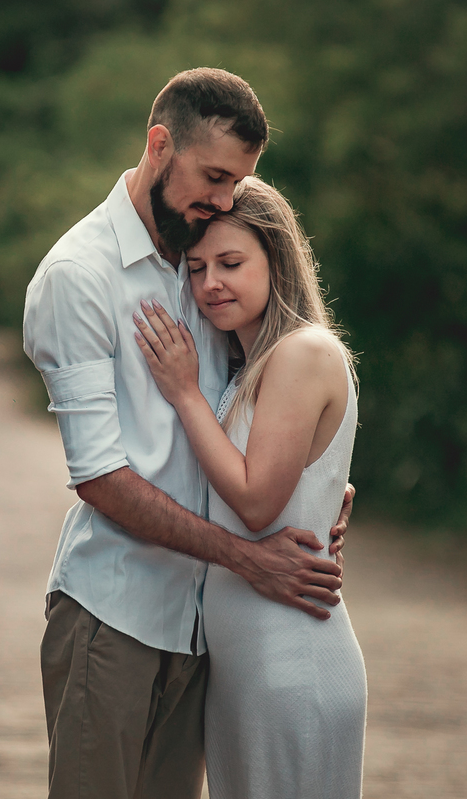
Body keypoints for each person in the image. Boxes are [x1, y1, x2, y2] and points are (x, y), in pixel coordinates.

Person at [23, 67, 354, 799]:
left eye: (236, 183)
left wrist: (322, 491)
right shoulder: (79, 277)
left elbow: (255, 413)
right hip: (113, 616)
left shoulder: (204, 259)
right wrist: (250, 559)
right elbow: (101, 478)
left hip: (203, 631)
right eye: (212, 175)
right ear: (159, 144)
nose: (222, 199)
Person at [133, 176, 366, 798]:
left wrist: (183, 393)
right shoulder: (248, 370)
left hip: (291, 659)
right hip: (246, 663)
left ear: (278, 259)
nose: (211, 283)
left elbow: (258, 503)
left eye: (232, 263)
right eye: (198, 266)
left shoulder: (303, 352)